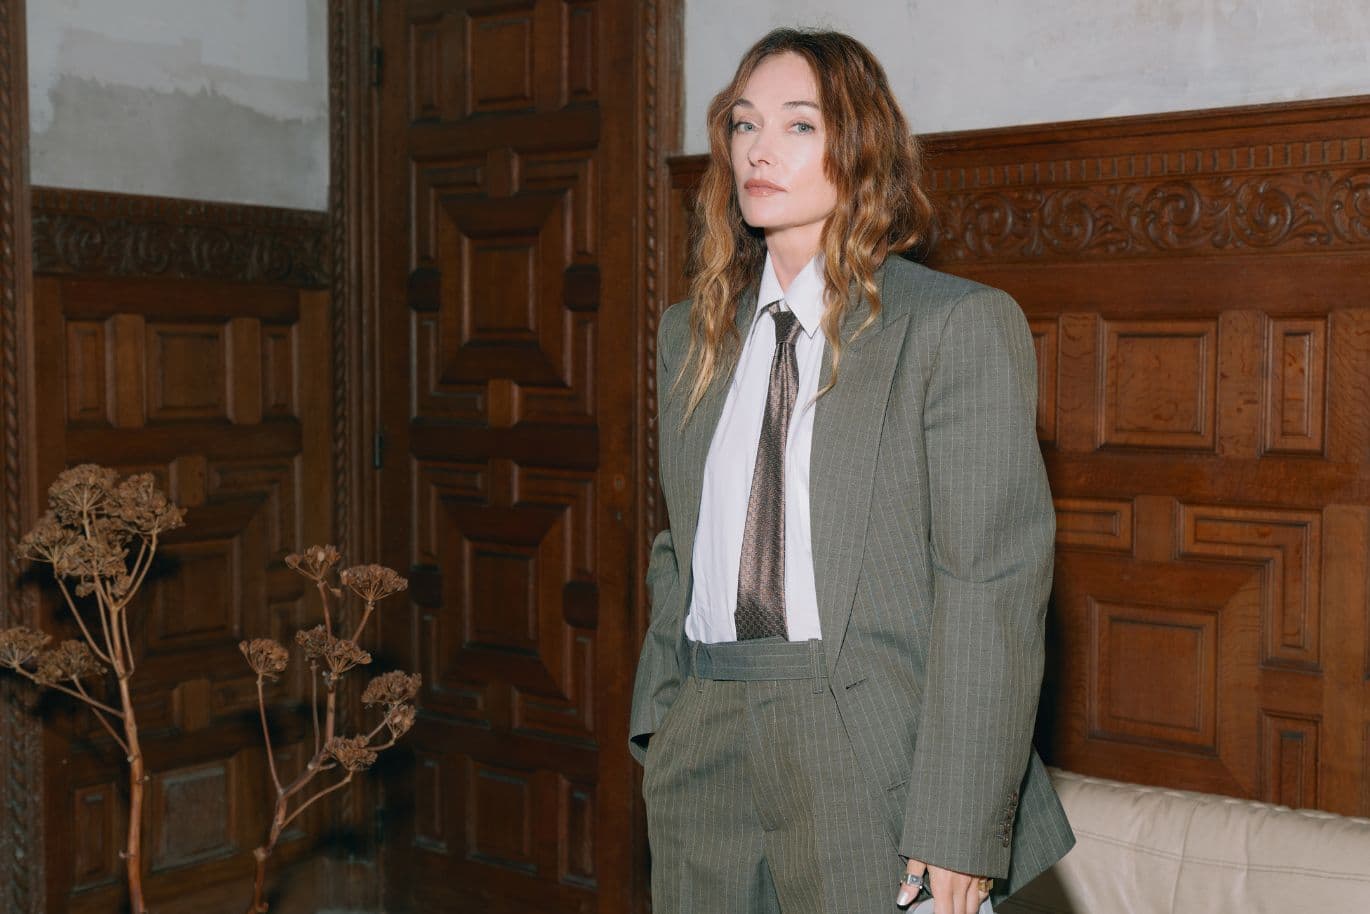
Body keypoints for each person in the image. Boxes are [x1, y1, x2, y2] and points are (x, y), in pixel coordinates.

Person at [629, 27, 1074, 914]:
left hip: (864, 747)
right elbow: (682, 543)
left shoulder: (952, 326)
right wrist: (662, 718)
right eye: (745, 124)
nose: (760, 150)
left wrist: (960, 824)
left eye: (799, 125)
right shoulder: (691, 333)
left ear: (861, 147)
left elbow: (990, 586)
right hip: (704, 740)